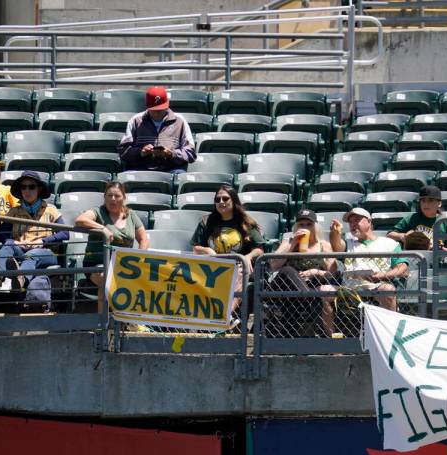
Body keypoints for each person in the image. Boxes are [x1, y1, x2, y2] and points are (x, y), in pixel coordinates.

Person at [0, 171, 69, 293]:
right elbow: (1, 233)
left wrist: (43, 241)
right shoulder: (14, 211)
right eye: (23, 187)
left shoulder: (50, 210)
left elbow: (65, 233)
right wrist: (15, 242)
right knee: (8, 244)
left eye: (31, 187)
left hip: (46, 252)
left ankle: (21, 280)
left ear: (39, 189)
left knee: (31, 255)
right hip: (21, 248)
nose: (27, 190)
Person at [191, 185, 265, 314]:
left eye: (225, 199)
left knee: (241, 272)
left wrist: (247, 257)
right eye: (217, 199)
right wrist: (207, 250)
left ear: (233, 201)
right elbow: (195, 247)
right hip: (211, 266)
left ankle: (225, 315)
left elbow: (259, 249)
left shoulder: (245, 222)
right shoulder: (206, 221)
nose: (221, 202)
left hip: (237, 266)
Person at [74, 182, 149, 306]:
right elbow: (80, 220)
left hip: (123, 263)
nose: (113, 199)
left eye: (117, 196)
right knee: (107, 279)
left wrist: (140, 257)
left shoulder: (131, 215)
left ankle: (130, 322)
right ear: (104, 197)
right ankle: (103, 322)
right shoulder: (98, 211)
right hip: (97, 263)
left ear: (124, 198)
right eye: (109, 195)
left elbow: (143, 239)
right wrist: (102, 228)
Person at [326, 207, 409, 319]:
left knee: (387, 289)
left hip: (377, 286)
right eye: (350, 222)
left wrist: (383, 275)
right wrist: (334, 232)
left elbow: (402, 267)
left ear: (369, 221)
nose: (353, 224)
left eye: (357, 220)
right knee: (323, 290)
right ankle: (330, 336)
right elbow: (337, 246)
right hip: (349, 288)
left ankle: (389, 331)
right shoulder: (348, 243)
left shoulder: (389, 243)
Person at [268, 209, 337, 336]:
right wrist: (292, 245)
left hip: (305, 290)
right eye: (301, 224)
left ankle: (290, 335)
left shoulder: (324, 245)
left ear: (315, 227)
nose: (305, 227)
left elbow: (331, 273)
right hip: (284, 287)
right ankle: (308, 296)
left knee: (295, 302)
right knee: (288, 270)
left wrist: (315, 271)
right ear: (296, 227)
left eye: (309, 224)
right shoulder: (288, 242)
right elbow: (273, 265)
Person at [118, 86, 196, 174]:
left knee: (180, 174)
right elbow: (123, 151)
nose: (157, 112)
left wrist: (171, 154)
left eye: (160, 109)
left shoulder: (180, 121)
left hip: (171, 170)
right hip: (140, 169)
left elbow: (191, 153)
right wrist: (141, 152)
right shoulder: (136, 120)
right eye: (154, 109)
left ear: (167, 105)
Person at [387, 185, 447, 251]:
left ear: (439, 203)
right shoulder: (412, 218)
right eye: (423, 201)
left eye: (430, 200)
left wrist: (443, 249)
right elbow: (390, 234)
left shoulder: (445, 221)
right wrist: (402, 236)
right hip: (414, 257)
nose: (426, 204)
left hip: (436, 258)